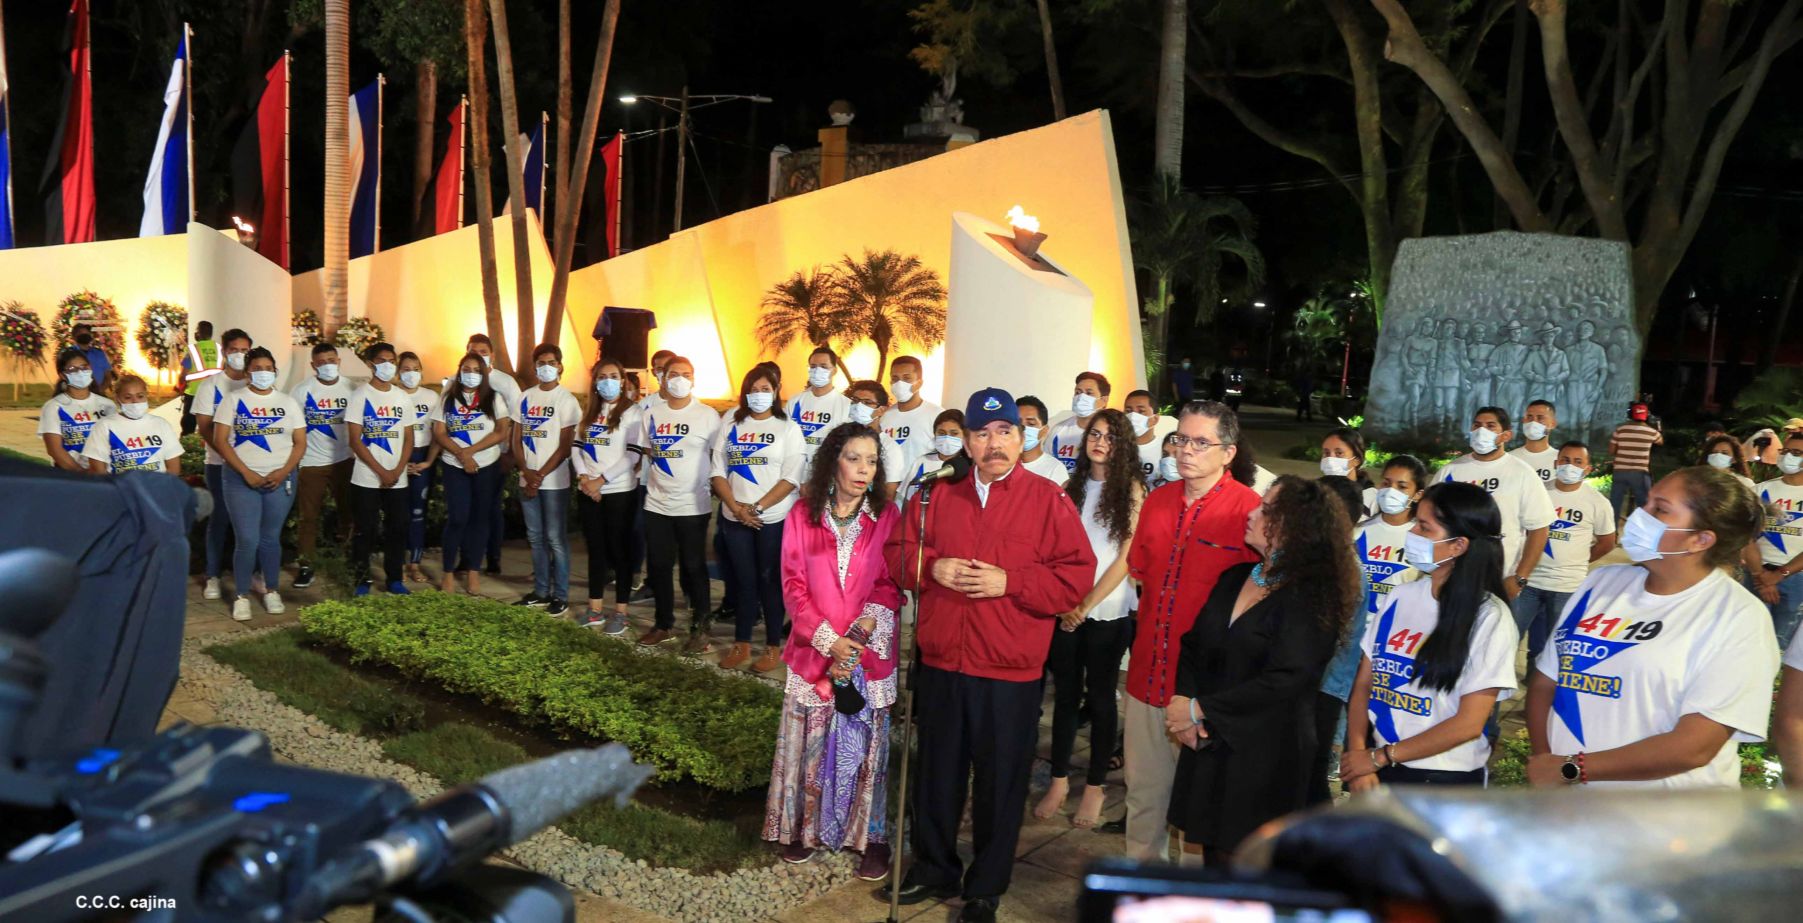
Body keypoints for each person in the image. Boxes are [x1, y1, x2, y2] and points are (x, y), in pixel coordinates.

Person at [883, 388, 1095, 922]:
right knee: (936, 774)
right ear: (968, 443)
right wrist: (930, 569)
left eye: (1005, 433)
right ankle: (933, 867)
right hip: (942, 662)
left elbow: (1074, 579)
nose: (994, 443)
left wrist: (1011, 582)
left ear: (1023, 440)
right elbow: (897, 555)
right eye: (982, 433)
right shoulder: (934, 496)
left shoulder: (1049, 500)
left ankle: (985, 887)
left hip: (1009, 671)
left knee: (1001, 784)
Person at [1527, 467, 1776, 788]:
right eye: (1646, 504)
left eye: (1660, 509)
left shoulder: (1738, 617)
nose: (1639, 516)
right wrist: (1546, 763)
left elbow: (1695, 745)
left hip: (1667, 823)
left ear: (1700, 539)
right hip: (1574, 811)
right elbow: (1546, 682)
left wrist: (1571, 769)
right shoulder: (1600, 583)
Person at [1166, 476, 1358, 863]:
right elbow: (1193, 645)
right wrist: (1185, 702)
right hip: (1212, 737)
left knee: (1246, 868)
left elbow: (1288, 678)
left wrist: (1198, 711)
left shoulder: (1312, 596)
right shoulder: (1235, 577)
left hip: (1266, 753)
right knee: (1213, 860)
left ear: (1297, 526)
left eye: (1267, 509)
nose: (1252, 513)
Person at [1121, 401, 1261, 861]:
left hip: (1206, 691)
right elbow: (1141, 573)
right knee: (1144, 800)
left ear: (1228, 452)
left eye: (1202, 442)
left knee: (1201, 816)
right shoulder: (1158, 501)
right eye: (1181, 439)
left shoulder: (1251, 513)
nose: (1186, 450)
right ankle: (1141, 900)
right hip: (1146, 675)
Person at [764, 423, 904, 882]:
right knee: (812, 745)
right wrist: (828, 640)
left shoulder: (886, 517)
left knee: (866, 749)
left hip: (867, 650)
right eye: (854, 458)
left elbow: (888, 583)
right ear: (832, 461)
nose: (865, 469)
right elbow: (793, 587)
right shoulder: (802, 515)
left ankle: (870, 839)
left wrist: (862, 631)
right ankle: (803, 831)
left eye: (872, 460)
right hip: (814, 651)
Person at [1341, 482, 1520, 791]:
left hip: (1442, 781)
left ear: (1458, 545)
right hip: (1376, 766)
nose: (1412, 535)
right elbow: (1364, 684)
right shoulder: (1400, 596)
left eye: (1424, 528)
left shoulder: (1490, 617)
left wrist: (1379, 757)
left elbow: (1468, 724)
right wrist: (1360, 756)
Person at [1034, 409, 1143, 828]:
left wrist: (1086, 605)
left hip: (1108, 611)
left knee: (1099, 698)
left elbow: (1125, 557)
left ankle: (1095, 786)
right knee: (1063, 697)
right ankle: (1059, 779)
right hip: (1065, 607)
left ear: (1124, 446)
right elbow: (1052, 547)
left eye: (1110, 437)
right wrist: (1065, 602)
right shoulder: (1070, 486)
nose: (1100, 442)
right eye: (1095, 434)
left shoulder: (1132, 490)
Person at [711, 365, 805, 671]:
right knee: (743, 582)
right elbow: (717, 471)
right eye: (754, 389)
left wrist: (758, 508)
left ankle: (772, 647)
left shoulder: (788, 428)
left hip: (773, 518)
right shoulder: (731, 423)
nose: (759, 395)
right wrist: (737, 509)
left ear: (776, 392)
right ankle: (741, 645)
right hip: (734, 516)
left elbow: (791, 477)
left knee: (769, 582)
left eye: (766, 389)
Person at [212, 347, 306, 622]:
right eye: (257, 368)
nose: (263, 373)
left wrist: (283, 472)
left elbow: (300, 442)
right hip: (240, 480)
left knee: (270, 538)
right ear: (247, 372)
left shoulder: (288, 403)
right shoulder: (233, 400)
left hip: (280, 478)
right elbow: (220, 441)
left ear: (275, 371)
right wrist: (246, 472)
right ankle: (241, 594)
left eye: (268, 368)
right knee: (248, 539)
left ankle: (271, 588)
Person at [638, 356, 722, 650]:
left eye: (686, 374)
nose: (679, 379)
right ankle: (663, 624)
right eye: (673, 374)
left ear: (694, 378)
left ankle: (700, 630)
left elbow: (718, 457)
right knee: (659, 567)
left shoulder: (708, 416)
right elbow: (649, 451)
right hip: (657, 504)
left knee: (693, 567)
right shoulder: (651, 413)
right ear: (663, 378)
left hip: (692, 506)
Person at [1515, 442, 1617, 665]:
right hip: (1529, 582)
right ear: (1555, 463)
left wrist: (1578, 561)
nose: (1570, 466)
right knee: (1509, 637)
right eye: (1565, 460)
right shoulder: (1537, 494)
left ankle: (1540, 685)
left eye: (1578, 462)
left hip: (1567, 587)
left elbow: (1607, 542)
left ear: (1588, 468)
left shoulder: (1597, 502)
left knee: (1556, 647)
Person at [1437, 406, 1554, 599]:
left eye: (1491, 426)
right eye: (1477, 425)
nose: (1481, 431)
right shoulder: (1451, 471)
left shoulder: (1522, 473)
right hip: (1452, 577)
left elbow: (1540, 529)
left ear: (1506, 436)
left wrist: (1520, 578)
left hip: (1498, 580)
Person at [1310, 476, 1372, 805]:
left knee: (1309, 775)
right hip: (1316, 683)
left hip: (1323, 686)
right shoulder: (1323, 561)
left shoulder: (1345, 570)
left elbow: (1327, 640)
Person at [432, 352, 513, 597]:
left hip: (486, 466)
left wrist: (470, 452)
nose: (471, 374)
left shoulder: (494, 398)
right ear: (459, 371)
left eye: (477, 370)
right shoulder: (447, 398)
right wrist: (461, 455)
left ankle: (473, 572)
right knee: (458, 518)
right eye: (466, 369)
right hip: (454, 466)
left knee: (479, 519)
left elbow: (501, 431)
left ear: (484, 373)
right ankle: (447, 572)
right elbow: (439, 432)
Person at [571, 357, 643, 634]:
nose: (608, 381)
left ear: (623, 380)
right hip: (588, 491)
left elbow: (632, 454)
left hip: (618, 492)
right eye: (602, 377)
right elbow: (576, 447)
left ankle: (621, 612)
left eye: (613, 376)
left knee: (619, 552)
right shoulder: (589, 411)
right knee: (596, 551)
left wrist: (601, 481)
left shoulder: (633, 413)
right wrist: (584, 479)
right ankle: (595, 609)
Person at [511, 344, 581, 614]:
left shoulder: (566, 400)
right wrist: (526, 472)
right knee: (535, 537)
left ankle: (560, 595)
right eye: (540, 363)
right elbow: (515, 439)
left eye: (551, 362)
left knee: (555, 538)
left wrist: (538, 476)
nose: (546, 367)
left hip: (553, 482)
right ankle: (541, 591)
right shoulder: (525, 397)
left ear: (560, 366)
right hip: (527, 479)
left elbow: (565, 446)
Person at [345, 342, 420, 596]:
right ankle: (361, 580)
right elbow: (355, 439)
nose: (388, 365)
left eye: (391, 360)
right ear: (370, 364)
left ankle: (394, 579)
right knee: (365, 529)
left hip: (397, 478)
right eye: (382, 360)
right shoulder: (359, 395)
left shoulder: (401, 397)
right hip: (366, 477)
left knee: (398, 528)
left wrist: (398, 469)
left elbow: (409, 437)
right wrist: (381, 471)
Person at [191, 328, 253, 600]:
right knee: (220, 519)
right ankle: (213, 575)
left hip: (255, 466)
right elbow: (205, 428)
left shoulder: (256, 383)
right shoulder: (211, 385)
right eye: (234, 350)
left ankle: (251, 573)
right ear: (224, 353)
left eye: (245, 350)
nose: (240, 355)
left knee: (250, 523)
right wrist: (230, 457)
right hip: (219, 464)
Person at [292, 343, 354, 590]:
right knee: (308, 518)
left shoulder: (352, 388)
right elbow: (294, 429)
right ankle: (306, 566)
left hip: (345, 461)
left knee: (348, 514)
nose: (327, 365)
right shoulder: (301, 391)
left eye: (331, 360)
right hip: (311, 463)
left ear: (339, 361)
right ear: (313, 366)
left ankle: (348, 560)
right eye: (321, 362)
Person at [465, 333, 523, 576]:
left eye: (483, 351)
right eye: (473, 350)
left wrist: (509, 454)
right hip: (464, 457)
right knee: (467, 509)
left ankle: (493, 557)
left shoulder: (505, 383)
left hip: (496, 455)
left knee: (490, 507)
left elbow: (516, 420)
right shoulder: (458, 383)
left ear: (492, 355)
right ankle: (468, 558)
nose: (478, 355)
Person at [1747, 432, 1803, 649]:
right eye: (1785, 451)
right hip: (1756, 574)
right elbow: (1745, 537)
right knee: (1750, 642)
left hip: (1796, 578)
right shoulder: (1760, 490)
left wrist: (1780, 575)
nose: (1788, 456)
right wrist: (1760, 575)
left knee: (1781, 645)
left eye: (1796, 453)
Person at [1356, 455, 1428, 622]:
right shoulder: (1358, 531)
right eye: (1386, 484)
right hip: (1355, 631)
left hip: (1399, 631)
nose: (1391, 491)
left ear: (1418, 494)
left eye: (1402, 486)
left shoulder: (1424, 537)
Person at [82, 375, 180, 474]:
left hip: (156, 487)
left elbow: (174, 468)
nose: (135, 401)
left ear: (146, 395)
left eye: (140, 396)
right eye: (128, 397)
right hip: (120, 488)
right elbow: (97, 468)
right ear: (117, 399)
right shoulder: (104, 426)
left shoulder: (161, 424)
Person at [39, 347, 117, 472]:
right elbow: (54, 449)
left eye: (84, 367)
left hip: (105, 474)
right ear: (62, 375)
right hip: (70, 477)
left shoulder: (107, 405)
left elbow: (115, 441)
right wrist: (81, 473)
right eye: (72, 369)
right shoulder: (53, 407)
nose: (80, 372)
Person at [398, 352, 440, 582]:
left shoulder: (432, 397)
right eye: (405, 369)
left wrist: (428, 461)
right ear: (398, 372)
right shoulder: (392, 396)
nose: (411, 373)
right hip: (396, 459)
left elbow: (438, 433)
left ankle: (414, 563)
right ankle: (395, 562)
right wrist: (400, 464)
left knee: (417, 513)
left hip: (422, 458)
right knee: (397, 514)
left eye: (415, 368)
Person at [789, 346, 853, 474]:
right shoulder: (794, 402)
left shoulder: (846, 405)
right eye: (813, 366)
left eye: (824, 366)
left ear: (834, 371)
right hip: (795, 473)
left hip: (828, 474)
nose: (817, 370)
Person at [843, 380, 907, 506]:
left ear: (881, 409)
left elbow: (889, 493)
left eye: (867, 403)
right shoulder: (840, 438)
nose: (859, 406)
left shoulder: (889, 447)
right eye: (855, 400)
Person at [883, 355, 942, 480]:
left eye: (907, 378)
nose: (900, 384)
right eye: (895, 379)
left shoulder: (937, 414)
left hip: (920, 491)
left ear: (919, 382)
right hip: (887, 491)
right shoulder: (884, 416)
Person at [1046, 372, 1109, 475]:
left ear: (1103, 400)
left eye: (1089, 393)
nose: (1081, 397)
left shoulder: (1111, 433)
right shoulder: (1058, 430)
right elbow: (1048, 466)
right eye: (1078, 392)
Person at [1608, 401, 1663, 519]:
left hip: (1620, 471)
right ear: (1646, 416)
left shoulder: (1620, 430)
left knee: (1615, 504)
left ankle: (1612, 532)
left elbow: (1611, 451)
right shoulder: (1652, 432)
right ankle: (1640, 532)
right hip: (1640, 473)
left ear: (1630, 415)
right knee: (1644, 505)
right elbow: (1660, 441)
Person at [900, 409, 965, 502]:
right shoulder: (922, 462)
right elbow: (908, 500)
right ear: (934, 434)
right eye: (941, 433)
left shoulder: (968, 466)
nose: (947, 438)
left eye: (954, 433)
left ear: (965, 435)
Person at [1319, 426, 1375, 517]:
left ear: (1356, 460)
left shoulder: (1370, 498)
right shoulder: (1314, 492)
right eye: (1326, 453)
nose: (1330, 459)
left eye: (1339, 453)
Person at [1015, 395, 1069, 486]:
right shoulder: (1002, 464)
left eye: (1031, 424)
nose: (1023, 428)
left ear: (1044, 430)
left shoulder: (1055, 470)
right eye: (1017, 423)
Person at [1123, 390, 1172, 486]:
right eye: (1128, 411)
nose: (1133, 416)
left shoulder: (1165, 450)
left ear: (1155, 419)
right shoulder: (1114, 447)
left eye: (1141, 411)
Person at [1510, 399, 1559, 485]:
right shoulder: (1510, 458)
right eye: (1529, 417)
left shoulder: (1560, 460)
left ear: (1553, 424)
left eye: (1540, 418)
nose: (1533, 422)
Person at [180, 320, 216, 435]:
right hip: (214, 393)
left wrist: (180, 386)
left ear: (198, 333)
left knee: (188, 426)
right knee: (211, 427)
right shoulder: (219, 349)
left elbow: (183, 374)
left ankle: (189, 449)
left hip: (194, 393)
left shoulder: (192, 350)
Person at [70, 323, 113, 394]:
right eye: (81, 333)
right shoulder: (69, 354)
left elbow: (108, 376)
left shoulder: (99, 353)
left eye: (87, 332)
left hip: (98, 394)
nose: (85, 334)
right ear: (74, 337)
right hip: (76, 395)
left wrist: (100, 390)